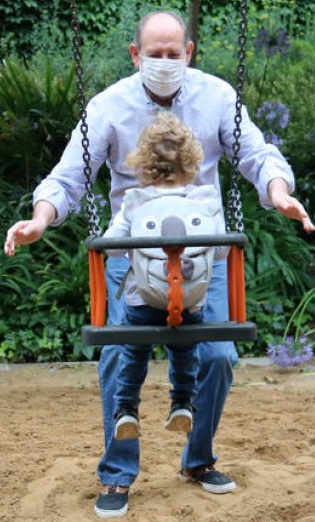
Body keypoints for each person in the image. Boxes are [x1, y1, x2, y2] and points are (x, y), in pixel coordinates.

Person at [3, 10, 314, 519]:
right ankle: (118, 474)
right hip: (131, 253)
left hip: (202, 256)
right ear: (136, 54)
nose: (165, 62)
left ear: (189, 52)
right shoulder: (109, 106)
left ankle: (197, 458)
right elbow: (69, 178)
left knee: (217, 356)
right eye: (155, 53)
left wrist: (278, 193)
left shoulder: (217, 98)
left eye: (175, 54)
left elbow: (258, 157)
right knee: (118, 354)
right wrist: (40, 220)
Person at [101, 111, 225, 448]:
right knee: (186, 352)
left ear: (143, 163)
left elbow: (112, 251)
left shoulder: (135, 202)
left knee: (134, 351)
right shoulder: (205, 201)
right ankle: (182, 403)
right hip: (189, 300)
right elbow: (223, 253)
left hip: (144, 300)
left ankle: (126, 408)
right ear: (192, 161)